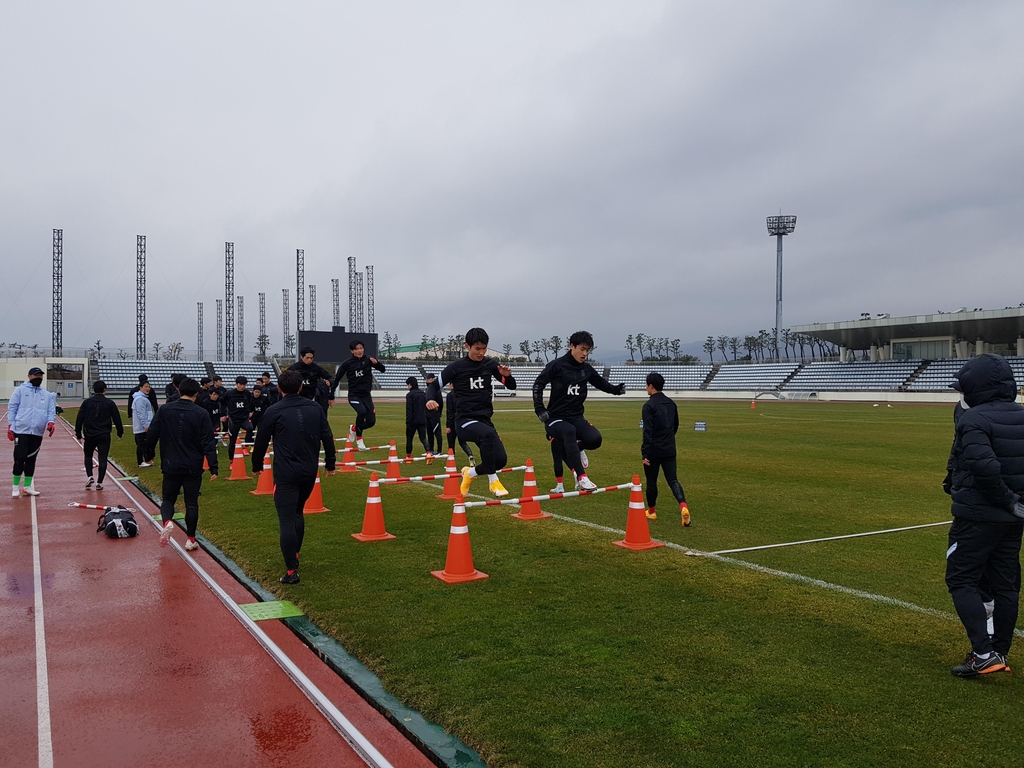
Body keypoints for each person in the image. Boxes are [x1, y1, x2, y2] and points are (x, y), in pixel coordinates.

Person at [944, 354, 1024, 677]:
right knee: (1006, 585)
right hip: (1013, 519)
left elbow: (984, 467)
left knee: (960, 578)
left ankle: (983, 652)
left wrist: (1007, 500)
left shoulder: (973, 420)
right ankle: (998, 651)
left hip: (980, 516)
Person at [251, 370, 337, 584]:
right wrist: (330, 463)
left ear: (279, 389)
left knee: (288, 519)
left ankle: (291, 570)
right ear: (300, 387)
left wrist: (256, 465)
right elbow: (327, 436)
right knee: (298, 512)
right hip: (309, 472)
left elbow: (260, 441)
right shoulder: (315, 408)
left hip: (286, 474)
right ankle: (295, 556)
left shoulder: (273, 410)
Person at [531, 330, 625, 493]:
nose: (585, 353)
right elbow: (538, 384)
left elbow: (601, 383)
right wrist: (540, 409)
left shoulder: (586, 369)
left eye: (587, 350)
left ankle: (578, 448)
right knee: (569, 431)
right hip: (555, 419)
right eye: (582, 349)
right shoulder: (556, 365)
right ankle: (582, 478)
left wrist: (616, 390)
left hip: (576, 417)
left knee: (595, 439)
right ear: (572, 346)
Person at [431, 327, 516, 497]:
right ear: (467, 346)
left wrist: (508, 376)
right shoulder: (456, 367)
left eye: (484, 348)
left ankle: (469, 474)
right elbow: (433, 386)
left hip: (484, 420)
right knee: (487, 435)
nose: (481, 352)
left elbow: (511, 386)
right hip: (464, 421)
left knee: (500, 460)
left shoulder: (490, 364)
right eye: (478, 348)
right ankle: (493, 482)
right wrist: (430, 399)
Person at [144, 378, 219, 550]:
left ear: (178, 391)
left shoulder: (165, 410)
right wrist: (213, 466)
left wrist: (149, 454)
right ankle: (190, 539)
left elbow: (152, 434)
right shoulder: (201, 413)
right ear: (196, 394)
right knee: (191, 502)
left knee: (168, 500)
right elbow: (208, 442)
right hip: (193, 464)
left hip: (170, 463)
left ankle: (168, 521)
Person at [640, 372, 690, 526]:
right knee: (673, 479)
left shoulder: (648, 406)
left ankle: (652, 511)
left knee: (651, 481)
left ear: (651, 386)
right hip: (669, 448)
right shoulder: (671, 403)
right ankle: (683, 506)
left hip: (654, 450)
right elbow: (675, 425)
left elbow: (648, 432)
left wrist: (645, 453)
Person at [8, 366, 57, 498]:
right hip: (21, 430)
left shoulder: (46, 395)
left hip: (37, 432)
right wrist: (11, 426)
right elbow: (12, 408)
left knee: (31, 460)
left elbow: (51, 412)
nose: (38, 378)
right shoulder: (20, 390)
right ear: (29, 376)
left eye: (40, 375)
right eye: (36, 375)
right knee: (19, 458)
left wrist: (51, 422)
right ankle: (15, 487)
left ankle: (27, 487)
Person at [331, 339, 385, 450]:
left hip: (366, 395)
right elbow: (337, 379)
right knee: (361, 412)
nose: (360, 351)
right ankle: (359, 439)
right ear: (352, 351)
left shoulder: (368, 360)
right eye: (357, 349)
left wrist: (377, 363)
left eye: (361, 348)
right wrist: (331, 395)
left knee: (371, 422)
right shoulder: (347, 364)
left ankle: (354, 428)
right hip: (354, 395)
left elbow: (382, 370)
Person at [74, 380, 124, 490]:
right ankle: (100, 482)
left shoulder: (87, 403)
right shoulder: (109, 403)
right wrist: (120, 432)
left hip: (90, 434)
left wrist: (78, 433)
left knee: (88, 455)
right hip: (104, 434)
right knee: (102, 457)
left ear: (93, 390)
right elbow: (117, 419)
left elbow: (80, 418)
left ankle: (90, 476)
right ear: (105, 390)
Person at [288, 347, 334, 413]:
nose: (309, 360)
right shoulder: (294, 368)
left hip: (311, 396)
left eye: (311, 358)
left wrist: (329, 381)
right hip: (297, 397)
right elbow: (285, 380)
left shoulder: (316, 368)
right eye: (307, 358)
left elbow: (330, 378)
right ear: (301, 357)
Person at [221, 376, 254, 459]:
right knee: (232, 441)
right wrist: (222, 414)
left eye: (244, 385)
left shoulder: (247, 393)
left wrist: (251, 411)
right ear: (236, 384)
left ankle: (245, 447)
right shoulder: (229, 394)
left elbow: (251, 403)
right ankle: (231, 460)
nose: (242, 386)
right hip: (234, 420)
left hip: (244, 418)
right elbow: (222, 403)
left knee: (250, 428)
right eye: (240, 384)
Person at [444, 382, 475, 466]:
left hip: (453, 421)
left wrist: (448, 426)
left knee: (451, 443)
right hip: (462, 421)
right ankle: (470, 455)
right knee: (462, 442)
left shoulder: (450, 395)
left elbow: (449, 411)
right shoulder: (462, 394)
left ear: (452, 385)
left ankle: (451, 462)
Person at [405, 376, 431, 461]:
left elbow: (409, 409)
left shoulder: (410, 395)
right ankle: (428, 453)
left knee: (409, 438)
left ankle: (408, 456)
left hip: (412, 420)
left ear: (410, 385)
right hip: (422, 419)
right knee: (423, 438)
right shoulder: (423, 394)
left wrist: (408, 421)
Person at [131, 381, 155, 467]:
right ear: (140, 387)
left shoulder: (142, 398)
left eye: (149, 387)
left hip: (142, 426)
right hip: (141, 427)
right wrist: (146, 425)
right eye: (146, 387)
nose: (148, 388)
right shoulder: (140, 399)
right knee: (141, 444)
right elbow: (141, 413)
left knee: (143, 444)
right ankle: (140, 462)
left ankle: (146, 460)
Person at [424, 372, 444, 455]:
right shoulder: (426, 390)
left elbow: (441, 403)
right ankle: (430, 450)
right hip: (427, 414)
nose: (427, 380)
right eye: (426, 379)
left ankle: (439, 451)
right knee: (429, 432)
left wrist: (439, 412)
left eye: (428, 379)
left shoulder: (437, 391)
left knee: (437, 432)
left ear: (433, 379)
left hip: (434, 414)